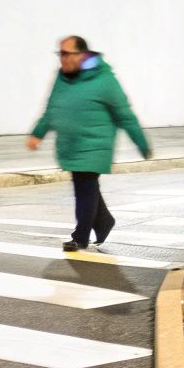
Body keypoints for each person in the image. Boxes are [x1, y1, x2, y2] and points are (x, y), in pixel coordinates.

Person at [27, 36, 152, 252]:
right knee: (84, 185)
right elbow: (52, 108)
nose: (63, 59)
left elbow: (124, 114)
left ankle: (81, 236)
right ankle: (104, 221)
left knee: (85, 184)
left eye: (67, 54)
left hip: (96, 143)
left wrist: (141, 143)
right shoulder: (62, 77)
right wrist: (38, 133)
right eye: (60, 54)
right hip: (71, 143)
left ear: (82, 55)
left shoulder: (104, 80)